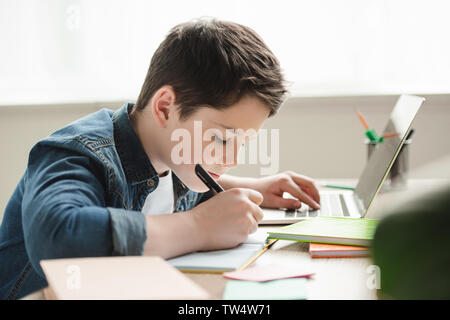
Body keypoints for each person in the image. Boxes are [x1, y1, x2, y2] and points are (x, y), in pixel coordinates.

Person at [0, 18, 320, 299]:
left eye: (244, 142)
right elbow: (61, 238)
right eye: (222, 138)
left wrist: (254, 187)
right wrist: (198, 226)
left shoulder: (172, 155)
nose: (231, 158)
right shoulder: (76, 153)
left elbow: (166, 189)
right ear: (165, 106)